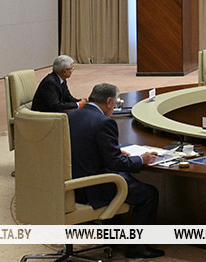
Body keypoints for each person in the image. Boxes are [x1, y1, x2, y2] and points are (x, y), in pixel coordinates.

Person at [67, 83, 164, 259]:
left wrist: (115, 150)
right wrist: (141, 159)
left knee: (126, 178)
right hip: (94, 187)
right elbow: (115, 163)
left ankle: (113, 237)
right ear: (109, 102)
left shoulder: (71, 116)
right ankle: (137, 246)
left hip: (72, 184)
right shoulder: (104, 122)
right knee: (149, 194)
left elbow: (85, 146)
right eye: (116, 102)